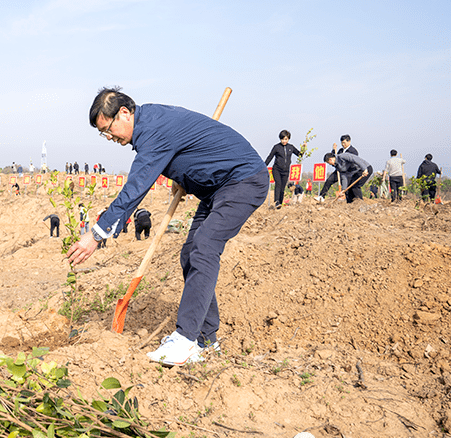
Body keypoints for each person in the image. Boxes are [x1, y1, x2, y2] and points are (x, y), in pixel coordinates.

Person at [67, 88, 268, 367]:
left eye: (109, 129)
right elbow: (186, 150)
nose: (110, 137)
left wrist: (96, 234)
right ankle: (206, 342)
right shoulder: (151, 123)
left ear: (124, 113)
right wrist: (183, 173)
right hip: (216, 189)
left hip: (242, 182)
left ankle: (185, 339)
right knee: (190, 254)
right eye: (104, 134)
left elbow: (136, 186)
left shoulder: (153, 131)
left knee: (205, 247)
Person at [263, 130, 302, 209]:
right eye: (282, 139)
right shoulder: (276, 147)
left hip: (286, 171)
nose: (284, 141)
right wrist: (264, 166)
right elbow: (270, 157)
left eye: (286, 139)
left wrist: (304, 147)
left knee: (283, 187)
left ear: (288, 139)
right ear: (280, 139)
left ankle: (280, 203)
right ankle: (277, 201)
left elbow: (299, 154)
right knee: (278, 184)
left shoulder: (291, 147)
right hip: (277, 169)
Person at [316, 135, 358, 202]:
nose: (343, 144)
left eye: (344, 142)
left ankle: (349, 201)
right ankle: (321, 196)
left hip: (348, 172)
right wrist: (333, 149)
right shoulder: (340, 150)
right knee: (329, 180)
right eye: (342, 143)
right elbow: (334, 158)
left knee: (346, 187)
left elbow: (352, 162)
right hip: (338, 170)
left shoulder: (353, 151)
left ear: (349, 141)